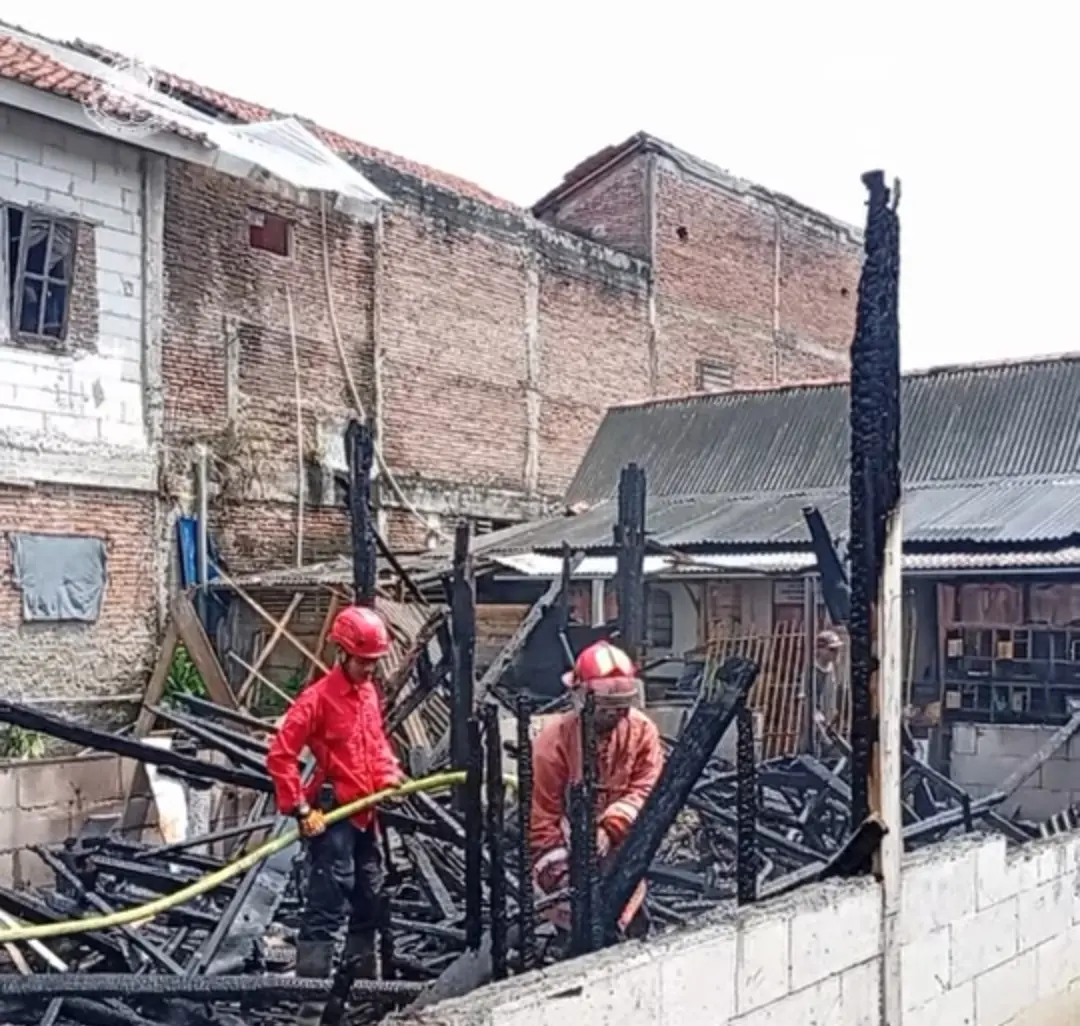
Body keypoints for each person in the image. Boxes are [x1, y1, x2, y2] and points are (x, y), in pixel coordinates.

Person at [266, 604, 404, 1026]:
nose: (369, 669)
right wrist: (300, 808)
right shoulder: (317, 700)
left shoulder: (368, 696)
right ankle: (312, 1011)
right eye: (364, 661)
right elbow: (280, 755)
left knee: (371, 898)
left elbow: (377, 747)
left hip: (365, 814)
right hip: (333, 816)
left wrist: (389, 778)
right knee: (328, 905)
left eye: (374, 662)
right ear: (343, 654)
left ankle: (364, 995)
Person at [530, 640, 664, 939]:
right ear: (579, 699)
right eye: (607, 711)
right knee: (578, 928)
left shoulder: (642, 733)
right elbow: (541, 817)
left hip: (625, 845)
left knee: (630, 923)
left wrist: (610, 828)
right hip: (566, 852)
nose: (616, 718)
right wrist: (563, 871)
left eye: (622, 709)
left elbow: (647, 791)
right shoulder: (552, 743)